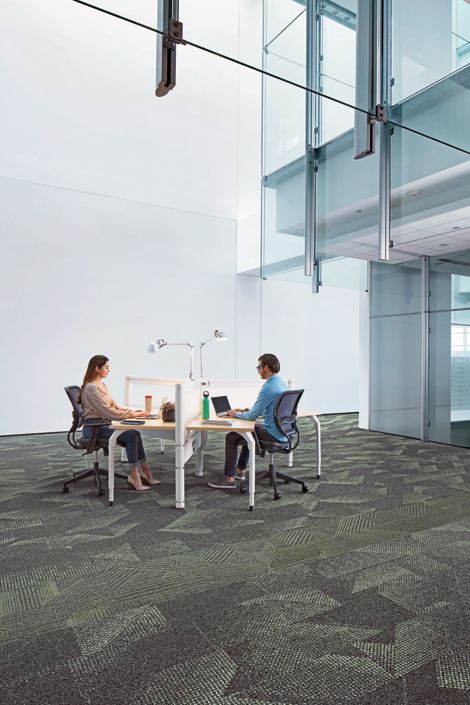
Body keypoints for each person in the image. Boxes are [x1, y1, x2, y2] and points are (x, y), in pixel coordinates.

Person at [79, 355, 159, 492]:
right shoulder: (92, 388)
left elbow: (114, 406)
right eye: (106, 367)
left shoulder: (102, 385)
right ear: (97, 369)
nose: (109, 370)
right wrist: (133, 415)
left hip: (103, 424)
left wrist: (133, 411)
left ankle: (144, 472)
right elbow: (109, 412)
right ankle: (135, 475)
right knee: (132, 435)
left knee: (135, 433)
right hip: (94, 428)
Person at [208, 353, 288, 490]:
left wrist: (236, 413)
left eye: (259, 367)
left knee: (232, 437)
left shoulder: (268, 387)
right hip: (284, 431)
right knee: (248, 432)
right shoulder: (280, 382)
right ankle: (239, 470)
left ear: (266, 368)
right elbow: (269, 408)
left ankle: (229, 479)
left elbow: (252, 416)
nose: (258, 371)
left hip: (272, 433)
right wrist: (244, 411)